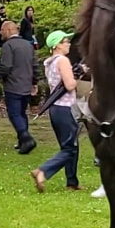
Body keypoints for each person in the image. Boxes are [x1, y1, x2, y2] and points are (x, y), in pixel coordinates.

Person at [30, 31, 82, 192]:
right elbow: (70, 85)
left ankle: (72, 182)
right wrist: (79, 75)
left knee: (70, 145)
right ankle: (42, 171)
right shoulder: (63, 60)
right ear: (57, 45)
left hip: (55, 109)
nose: (69, 44)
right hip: (65, 108)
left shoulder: (50, 63)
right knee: (70, 148)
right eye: (66, 41)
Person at [0, 21, 39, 154]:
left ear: (8, 30)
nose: (0, 32)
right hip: (26, 85)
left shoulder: (8, 46)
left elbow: (6, 67)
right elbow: (35, 65)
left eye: (2, 30)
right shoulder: (28, 45)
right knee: (22, 113)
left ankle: (26, 138)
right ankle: (22, 141)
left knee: (14, 114)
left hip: (13, 85)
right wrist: (34, 82)